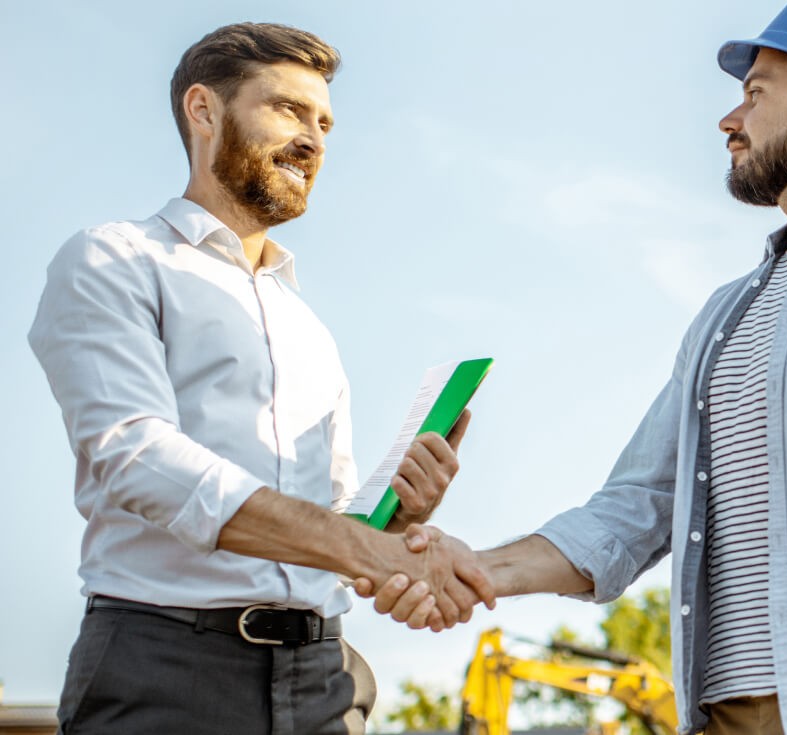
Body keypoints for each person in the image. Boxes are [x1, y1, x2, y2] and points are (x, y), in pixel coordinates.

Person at [370, 0, 787, 732]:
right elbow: (631, 509)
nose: (729, 119)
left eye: (755, 93)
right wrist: (475, 568)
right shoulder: (723, 317)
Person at [28, 22, 493, 734]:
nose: (314, 138)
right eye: (287, 109)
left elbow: (333, 525)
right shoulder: (113, 259)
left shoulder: (308, 326)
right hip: (165, 673)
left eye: (325, 122)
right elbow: (134, 453)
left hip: (325, 682)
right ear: (204, 110)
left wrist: (393, 519)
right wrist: (357, 543)